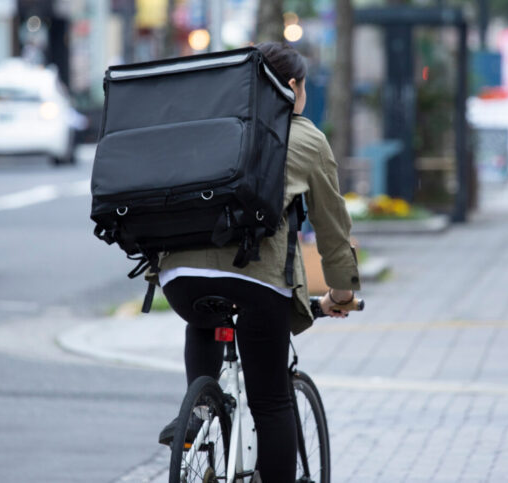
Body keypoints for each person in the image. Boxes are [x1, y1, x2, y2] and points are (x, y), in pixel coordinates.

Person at [155, 41, 361, 483]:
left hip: (180, 280)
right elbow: (332, 232)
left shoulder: (209, 126)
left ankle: (200, 413)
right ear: (291, 87)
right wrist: (341, 293)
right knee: (271, 403)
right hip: (256, 284)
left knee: (205, 315)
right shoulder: (304, 137)